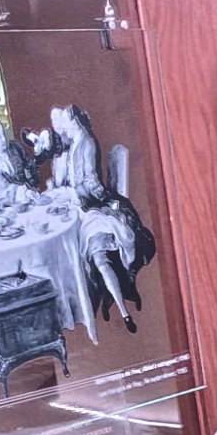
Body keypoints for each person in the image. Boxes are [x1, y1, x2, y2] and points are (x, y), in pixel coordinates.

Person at [46, 103, 156, 331]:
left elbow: (92, 184)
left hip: (95, 209)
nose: (61, 127)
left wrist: (72, 194)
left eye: (64, 122)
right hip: (81, 208)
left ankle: (124, 313)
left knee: (98, 255)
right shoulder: (73, 144)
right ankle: (84, 300)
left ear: (74, 121)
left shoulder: (86, 143)